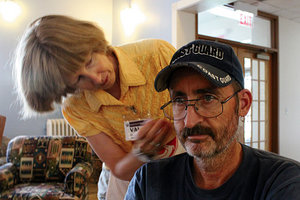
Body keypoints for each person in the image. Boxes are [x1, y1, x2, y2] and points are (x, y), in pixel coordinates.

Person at [13, 15, 184, 200]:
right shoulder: (76, 106)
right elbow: (119, 166)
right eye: (79, 79)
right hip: (126, 176)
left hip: (180, 161)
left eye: (89, 62)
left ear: (93, 43)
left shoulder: (157, 55)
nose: (95, 78)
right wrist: (141, 152)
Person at [125, 39, 300, 200]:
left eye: (208, 99)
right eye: (179, 101)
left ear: (243, 104)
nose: (190, 122)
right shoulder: (149, 181)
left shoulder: (281, 181)